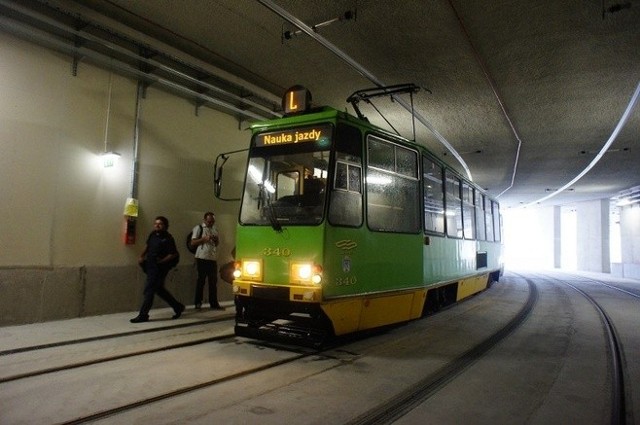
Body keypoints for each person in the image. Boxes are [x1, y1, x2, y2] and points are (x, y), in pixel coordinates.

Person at [130, 216, 185, 323]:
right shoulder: (153, 234)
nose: (157, 225)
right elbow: (147, 246)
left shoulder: (168, 238)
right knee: (158, 289)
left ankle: (143, 314)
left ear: (165, 226)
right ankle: (177, 306)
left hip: (160, 268)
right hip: (150, 265)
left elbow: (173, 254)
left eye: (160, 224)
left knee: (149, 289)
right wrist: (141, 256)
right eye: (155, 223)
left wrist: (161, 262)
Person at [190, 211, 224, 310]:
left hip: (212, 258)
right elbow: (193, 242)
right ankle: (198, 302)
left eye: (213, 221)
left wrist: (216, 240)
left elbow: (217, 244)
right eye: (209, 221)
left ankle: (213, 303)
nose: (211, 223)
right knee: (201, 281)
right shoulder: (198, 228)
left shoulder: (214, 229)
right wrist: (204, 239)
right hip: (202, 258)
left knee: (213, 282)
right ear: (204, 220)